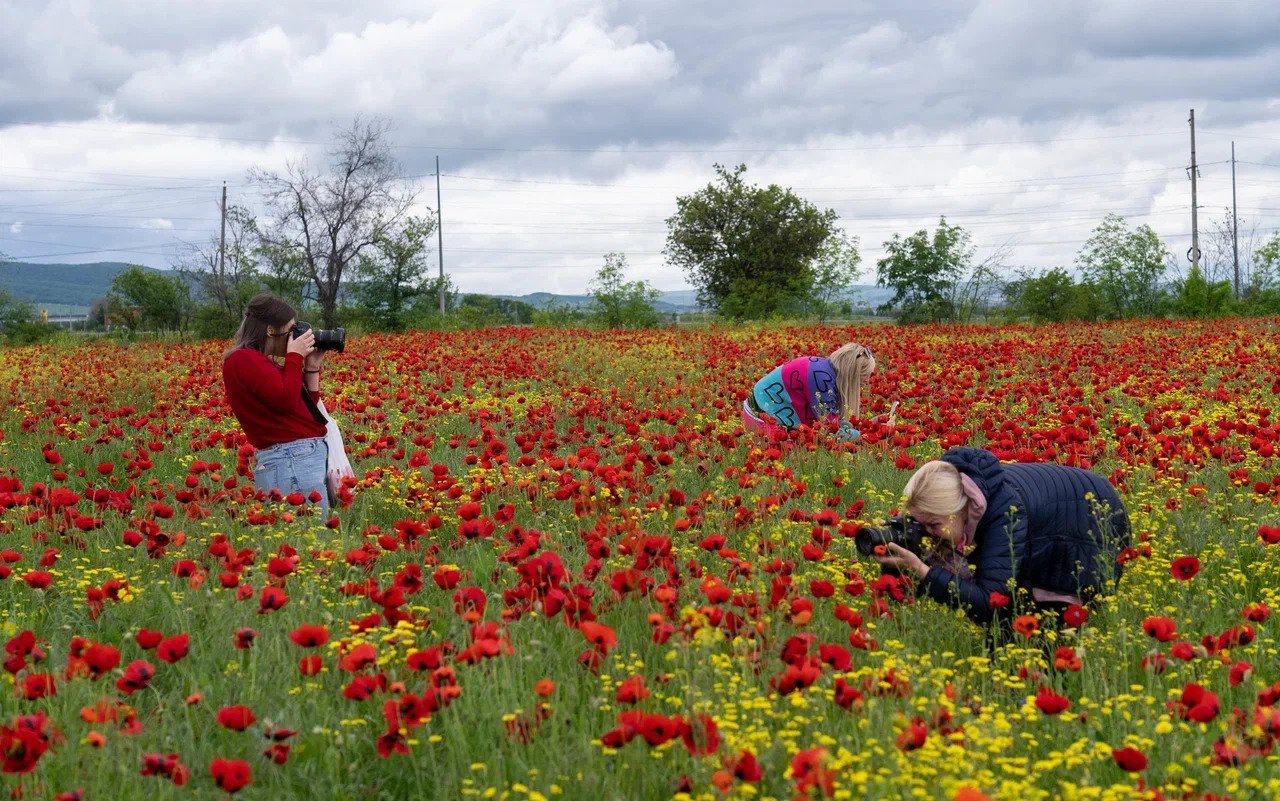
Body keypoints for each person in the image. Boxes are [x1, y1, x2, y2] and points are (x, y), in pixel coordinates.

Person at [875, 446, 1129, 624]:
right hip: (1061, 510)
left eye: (933, 524)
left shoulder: (1005, 515)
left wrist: (923, 571)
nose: (927, 533)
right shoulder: (953, 488)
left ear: (960, 511)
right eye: (920, 523)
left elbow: (992, 600)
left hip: (1087, 528)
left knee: (1032, 634)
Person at [222, 293, 330, 520]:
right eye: (292, 330)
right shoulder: (242, 359)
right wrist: (294, 356)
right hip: (289, 459)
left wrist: (311, 368)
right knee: (308, 541)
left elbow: (303, 410)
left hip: (294, 459)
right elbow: (285, 401)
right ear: (271, 330)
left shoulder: (260, 361)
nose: (297, 337)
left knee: (310, 542)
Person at [742, 342, 876, 441]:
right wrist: (872, 435)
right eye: (866, 375)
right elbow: (831, 430)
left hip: (759, 410)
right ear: (853, 374)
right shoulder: (821, 378)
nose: (867, 381)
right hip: (761, 418)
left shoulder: (825, 369)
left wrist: (871, 425)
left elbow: (833, 420)